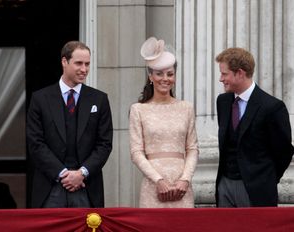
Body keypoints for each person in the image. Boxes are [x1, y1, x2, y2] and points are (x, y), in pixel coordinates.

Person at [26, 41, 113, 208]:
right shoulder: (40, 99)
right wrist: (63, 174)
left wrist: (82, 173)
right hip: (50, 187)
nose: (84, 69)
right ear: (64, 62)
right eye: (78, 63)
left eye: (87, 64)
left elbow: (104, 144)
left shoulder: (99, 99)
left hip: (86, 186)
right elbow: (35, 143)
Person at [215, 47, 294, 207]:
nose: (221, 79)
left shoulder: (272, 107)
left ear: (240, 73)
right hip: (224, 185)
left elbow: (284, 152)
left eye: (224, 74)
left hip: (256, 189)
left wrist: (264, 179)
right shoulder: (222, 102)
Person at [129, 37, 199, 208]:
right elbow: (136, 152)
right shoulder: (138, 109)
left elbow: (192, 148)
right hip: (153, 186)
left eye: (170, 74)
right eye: (159, 73)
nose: (165, 79)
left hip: (182, 187)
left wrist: (185, 179)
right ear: (150, 76)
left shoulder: (186, 108)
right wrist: (158, 180)